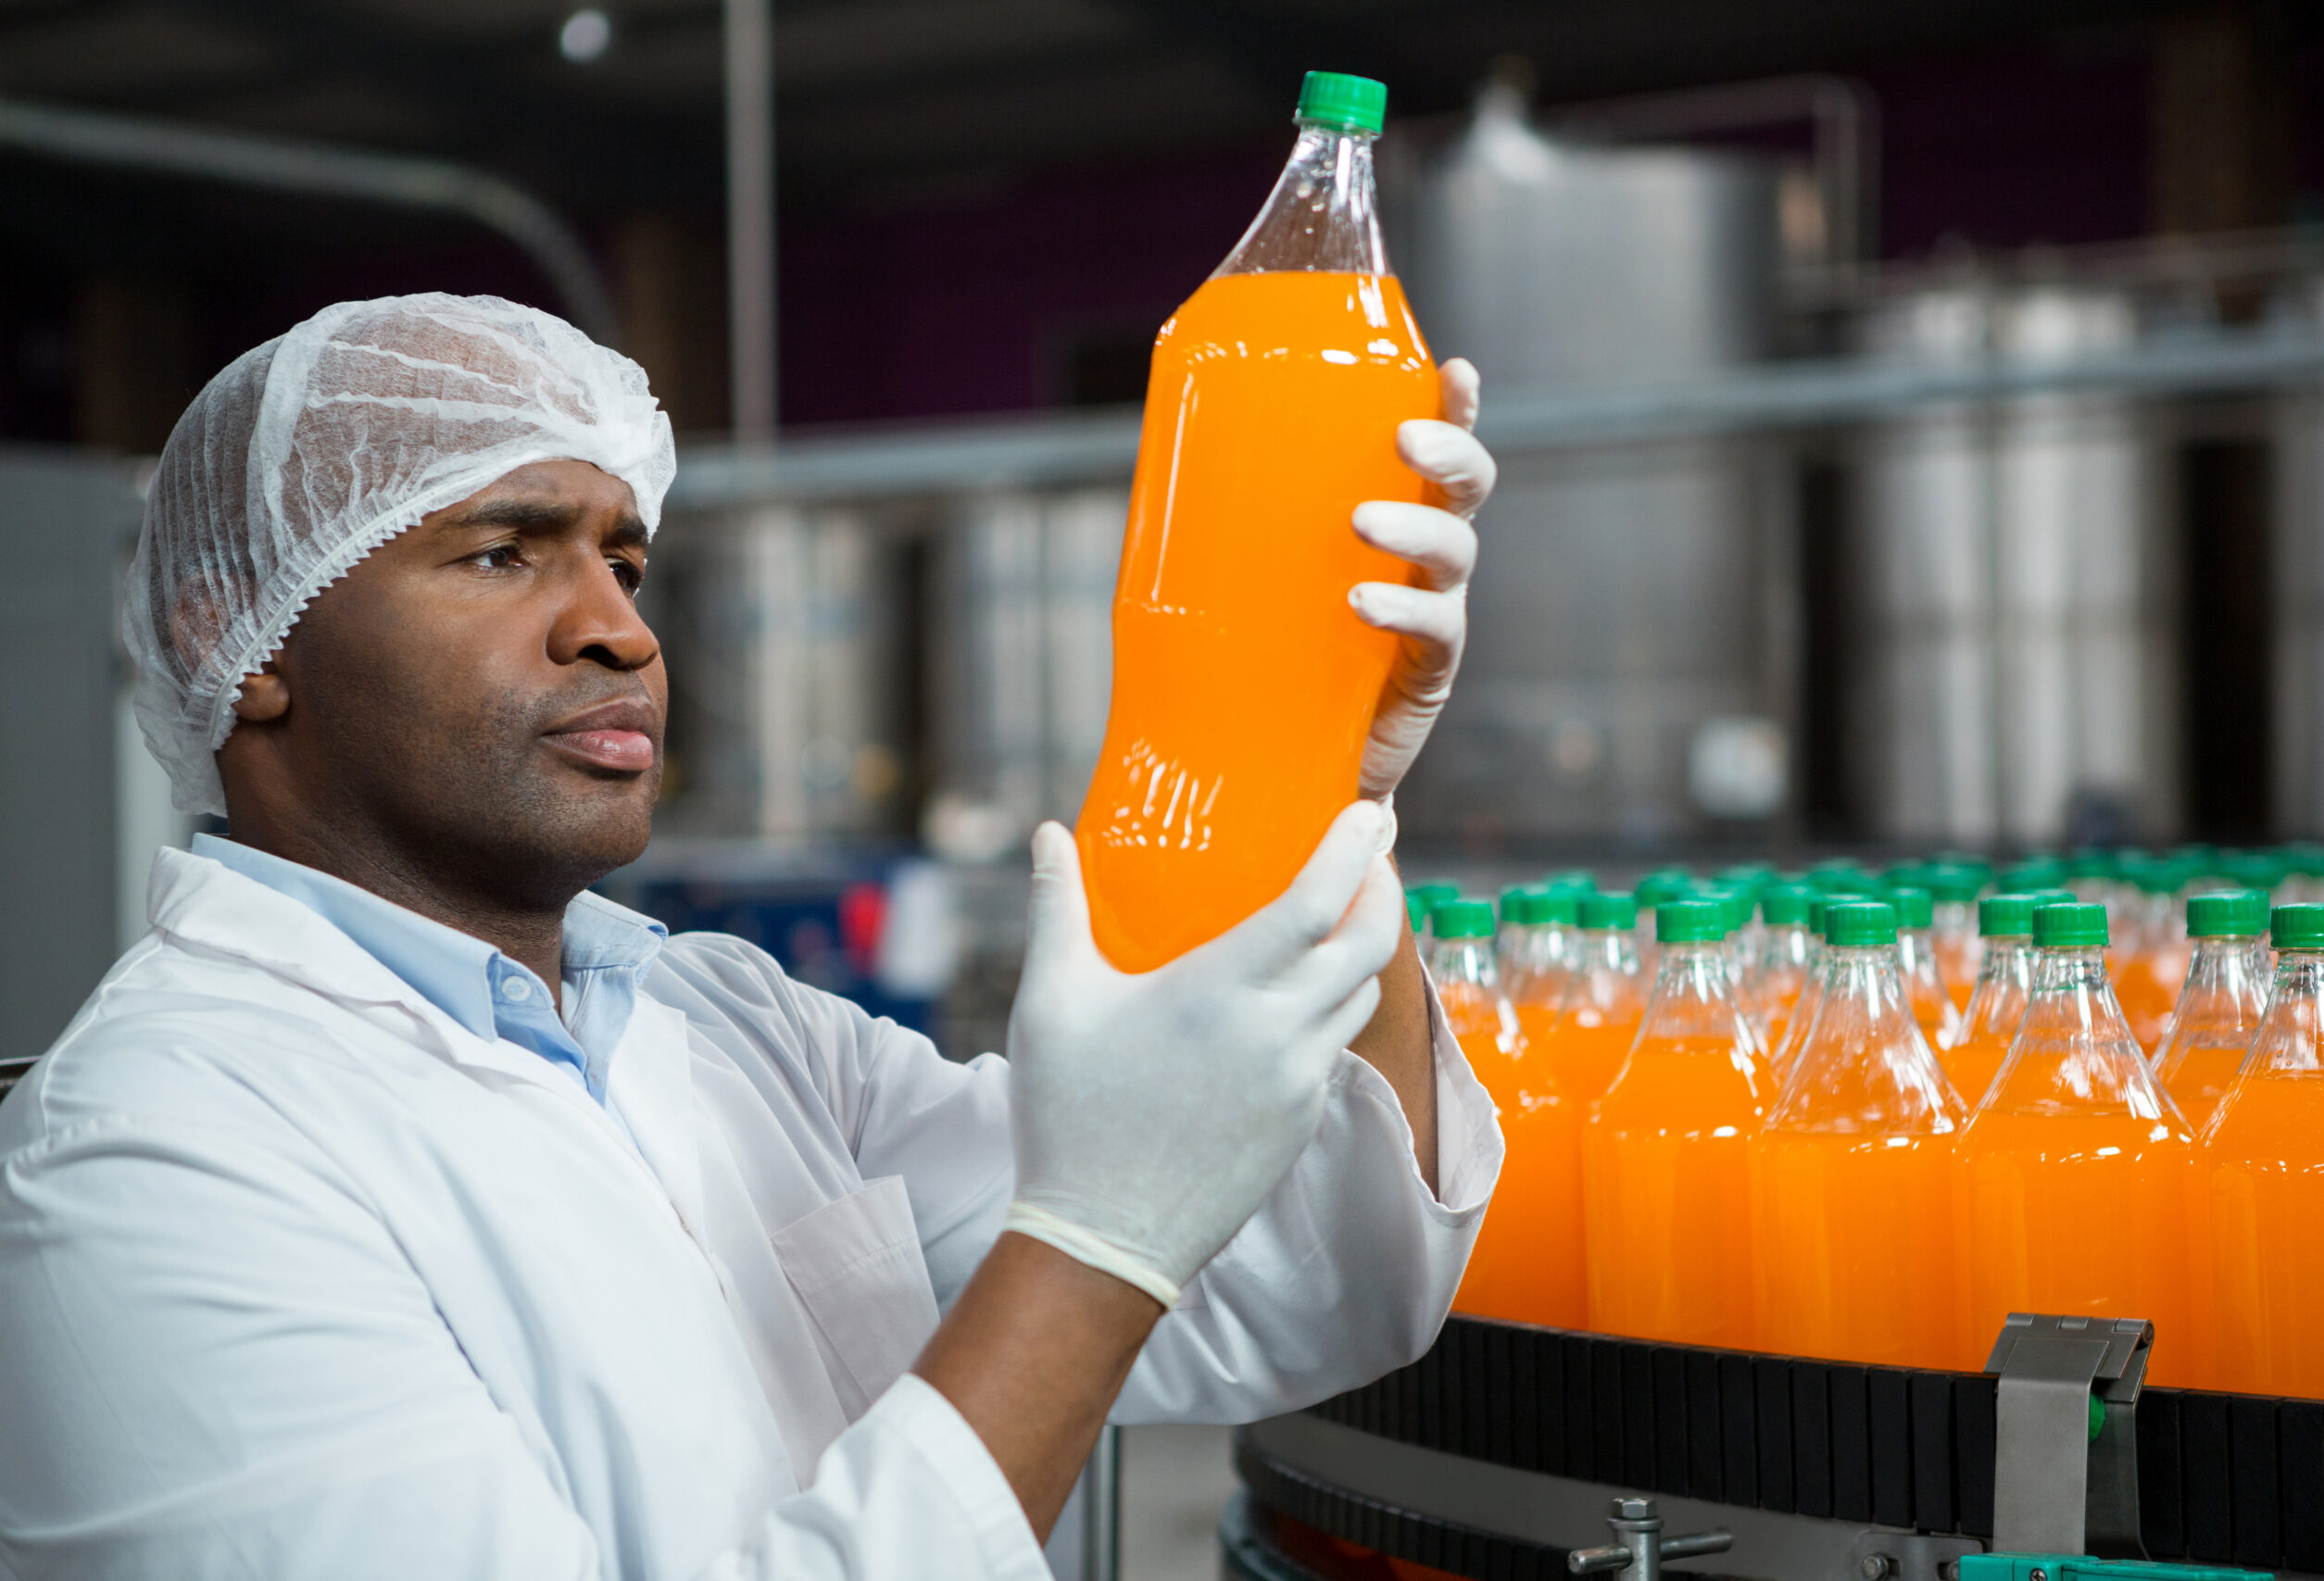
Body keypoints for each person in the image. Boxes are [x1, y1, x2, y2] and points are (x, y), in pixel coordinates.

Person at [0, 295, 1502, 1579]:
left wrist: (1311, 776)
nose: (621, 631)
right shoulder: (155, 1163)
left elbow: (1311, 1288)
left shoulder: (728, 1024)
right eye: (503, 552)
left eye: (626, 563)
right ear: (235, 641)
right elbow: (1114, 1261)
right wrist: (1092, 1241)